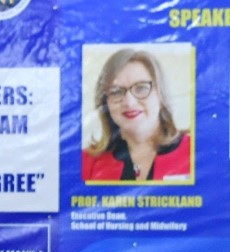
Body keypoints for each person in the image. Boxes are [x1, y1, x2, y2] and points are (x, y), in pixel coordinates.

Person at [82, 48, 193, 182]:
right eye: (116, 92)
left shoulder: (197, 150)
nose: (129, 102)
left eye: (141, 88)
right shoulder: (86, 162)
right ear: (106, 102)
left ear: (160, 94)